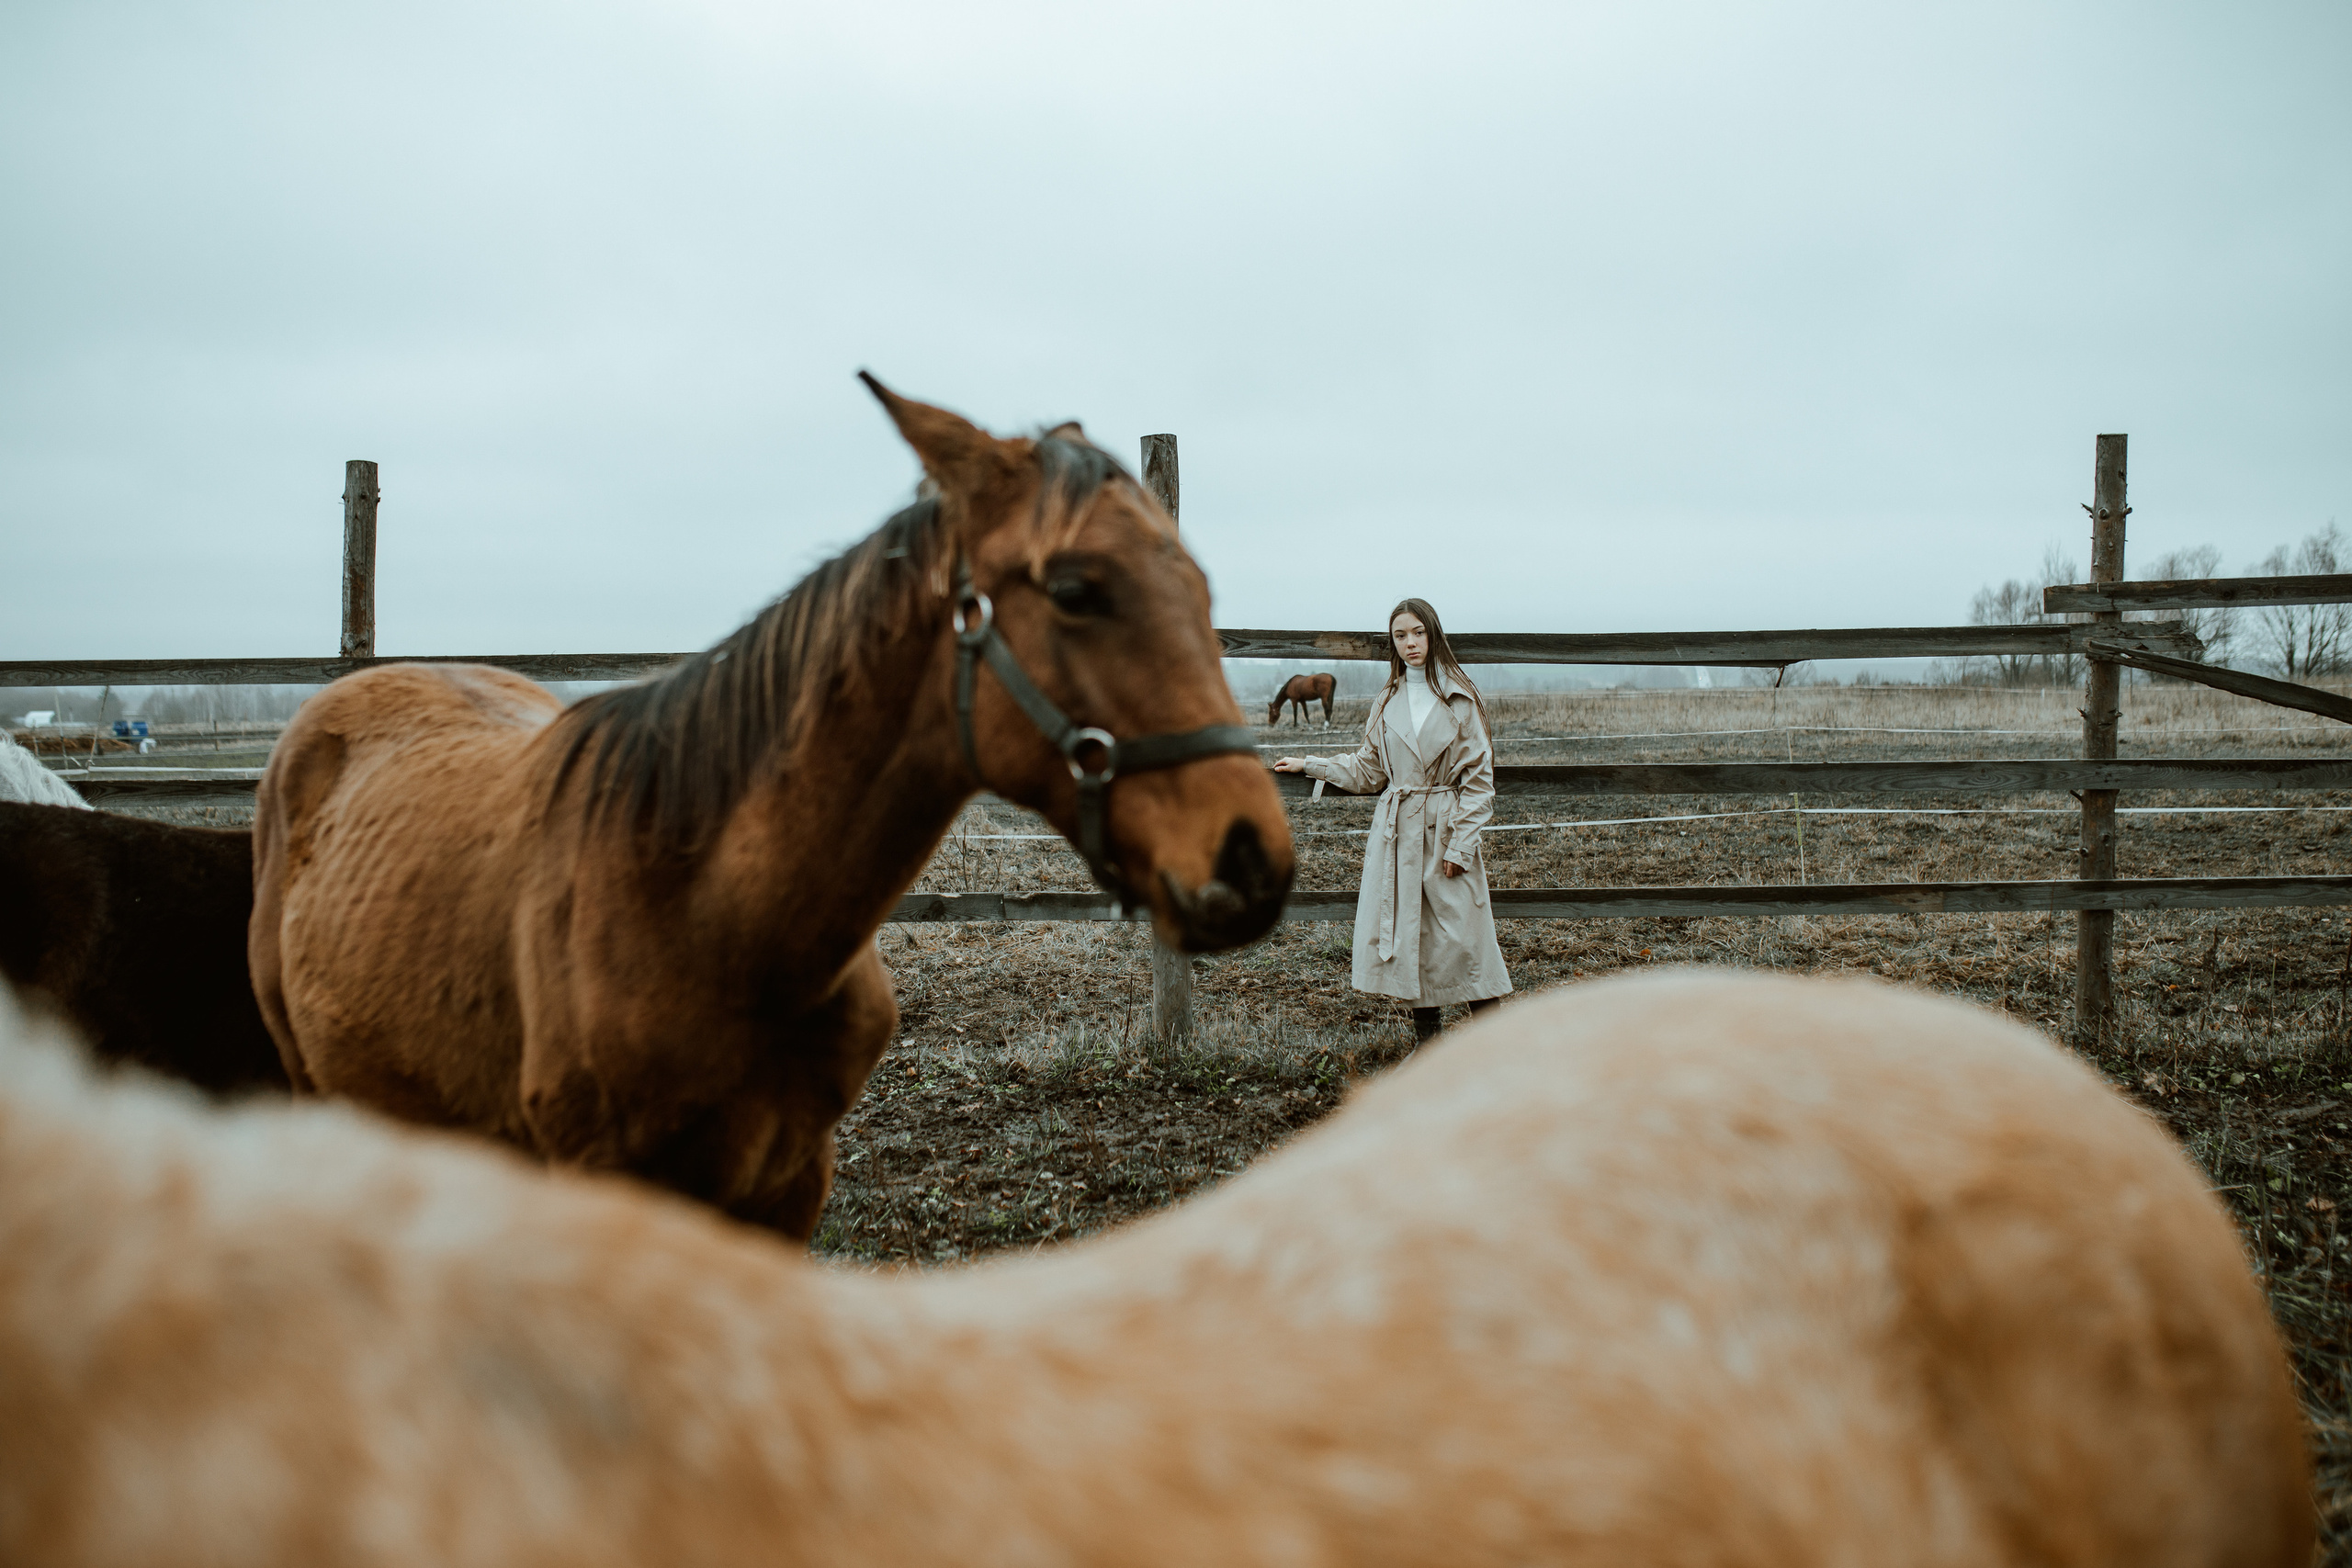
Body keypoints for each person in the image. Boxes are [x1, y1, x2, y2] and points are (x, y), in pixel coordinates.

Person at [1274, 598, 1511, 1046]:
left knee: (1467, 938)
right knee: (1410, 936)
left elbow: (1479, 783)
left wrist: (1461, 845)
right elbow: (1368, 770)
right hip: (1399, 833)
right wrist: (1311, 764)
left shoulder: (1461, 698)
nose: (1410, 643)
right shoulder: (1386, 700)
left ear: (1433, 634)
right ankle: (1428, 1045)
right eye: (1400, 635)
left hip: (1445, 829)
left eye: (1418, 632)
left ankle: (1494, 1048)